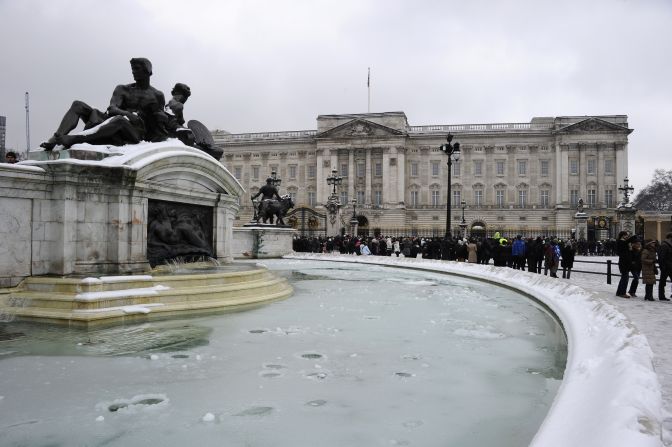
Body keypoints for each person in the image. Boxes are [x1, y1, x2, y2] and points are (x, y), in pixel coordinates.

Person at [40, 58, 167, 150]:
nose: (133, 72)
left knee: (120, 120)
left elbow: (159, 124)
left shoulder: (157, 95)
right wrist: (129, 114)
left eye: (137, 69)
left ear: (147, 71)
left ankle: (76, 139)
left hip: (135, 133)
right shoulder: (123, 89)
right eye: (132, 69)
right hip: (112, 123)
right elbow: (112, 109)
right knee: (78, 105)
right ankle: (56, 137)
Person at [615, 230, 638, 298]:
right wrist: (633, 237)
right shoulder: (620, 242)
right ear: (623, 236)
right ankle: (622, 293)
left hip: (626, 263)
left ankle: (619, 292)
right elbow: (626, 243)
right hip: (623, 263)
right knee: (625, 278)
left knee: (623, 278)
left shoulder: (625, 243)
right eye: (626, 235)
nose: (627, 236)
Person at [658, 232, 672, 301]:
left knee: (662, 282)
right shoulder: (664, 245)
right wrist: (662, 267)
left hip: (670, 266)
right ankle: (661, 296)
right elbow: (661, 257)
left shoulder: (669, 245)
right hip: (666, 267)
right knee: (663, 282)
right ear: (670, 237)